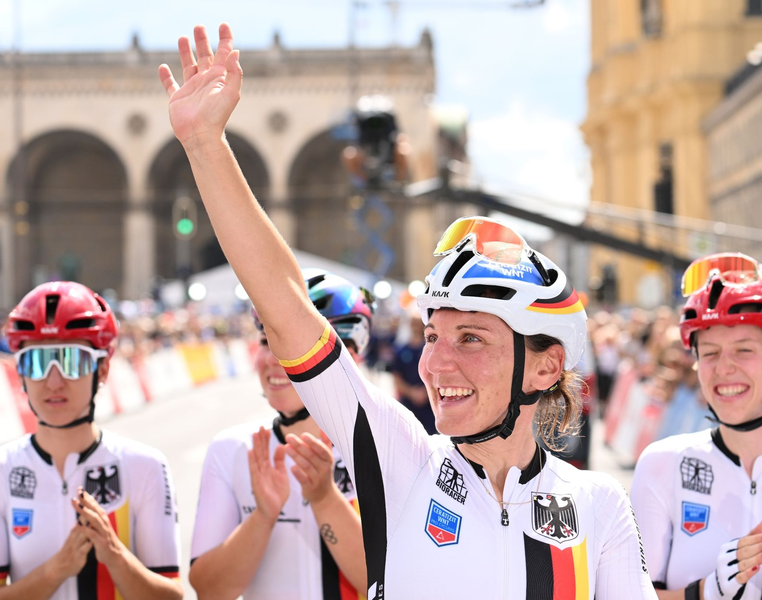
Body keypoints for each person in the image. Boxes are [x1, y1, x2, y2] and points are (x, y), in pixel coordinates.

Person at [159, 24, 656, 598]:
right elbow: (290, 310)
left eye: (470, 338)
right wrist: (204, 145)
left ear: (546, 368)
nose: (434, 365)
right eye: (433, 336)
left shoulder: (599, 507)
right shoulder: (403, 464)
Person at [189, 270, 370, 599]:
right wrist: (263, 517)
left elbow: (394, 584)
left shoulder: (385, 448)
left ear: (349, 356)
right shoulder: (231, 449)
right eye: (264, 341)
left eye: (292, 345)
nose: (273, 359)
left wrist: (325, 499)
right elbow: (209, 590)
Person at [631, 253, 762, 599]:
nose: (723, 368)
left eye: (743, 350)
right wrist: (704, 592)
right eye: (709, 353)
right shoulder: (662, 463)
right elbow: (628, 594)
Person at [0, 281, 182, 600]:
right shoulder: (3, 469)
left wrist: (116, 556)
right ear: (21, 373)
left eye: (71, 361)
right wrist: (54, 571)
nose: (54, 381)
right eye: (38, 362)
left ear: (103, 369)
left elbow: (172, 595)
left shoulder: (146, 466)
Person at [391, 313, 436, 434]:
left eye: (418, 323)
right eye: (413, 323)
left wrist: (426, 392)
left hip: (429, 405)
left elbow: (437, 374)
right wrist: (412, 393)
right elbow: (397, 378)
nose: (416, 326)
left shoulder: (432, 350)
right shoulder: (401, 350)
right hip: (408, 404)